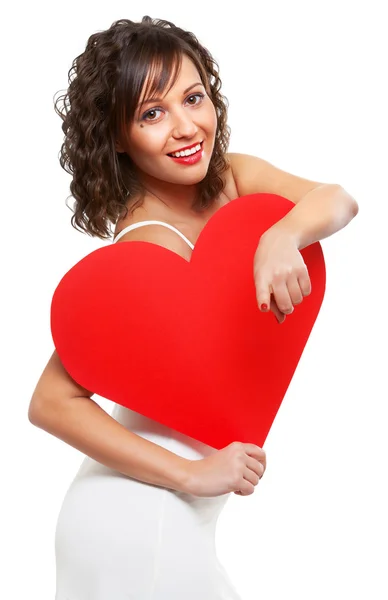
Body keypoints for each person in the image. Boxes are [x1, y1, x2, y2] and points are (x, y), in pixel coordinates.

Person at [28, 16, 358, 599]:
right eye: (152, 113)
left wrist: (283, 235)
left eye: (193, 97)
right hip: (142, 518)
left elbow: (338, 199)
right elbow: (50, 401)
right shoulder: (145, 247)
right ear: (117, 138)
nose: (186, 128)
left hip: (167, 519)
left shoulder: (231, 179)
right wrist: (194, 474)